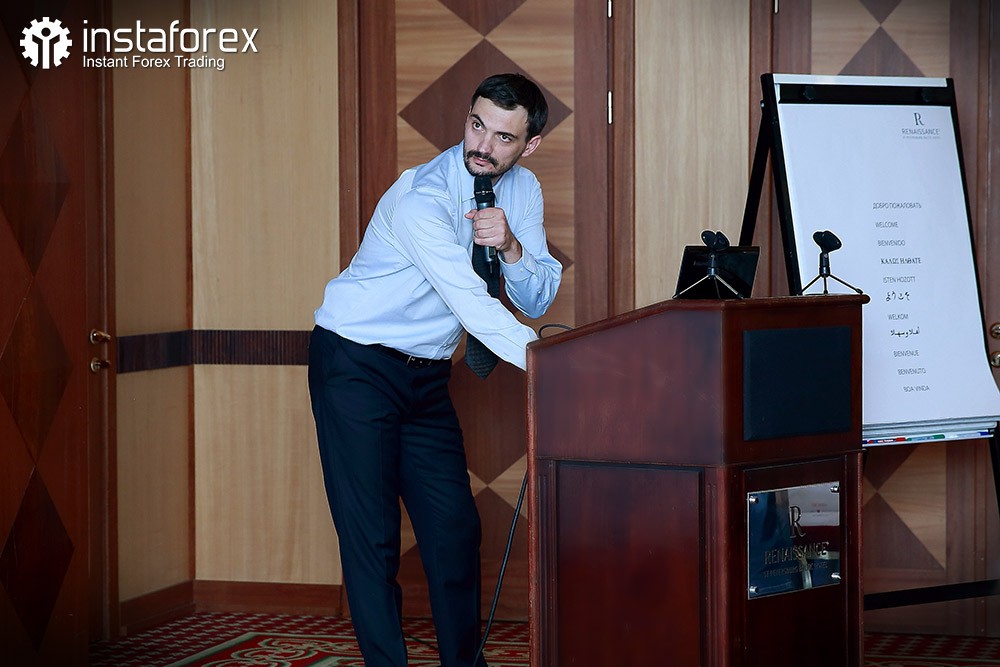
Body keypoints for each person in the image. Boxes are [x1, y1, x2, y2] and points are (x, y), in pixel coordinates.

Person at [308, 73, 562, 667]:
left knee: (454, 530)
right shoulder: (421, 197)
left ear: (529, 145)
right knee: (372, 537)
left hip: (424, 377)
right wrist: (556, 369)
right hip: (356, 364)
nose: (483, 146)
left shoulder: (524, 190)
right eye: (477, 126)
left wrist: (513, 248)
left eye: (503, 137)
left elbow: (537, 298)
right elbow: (470, 304)